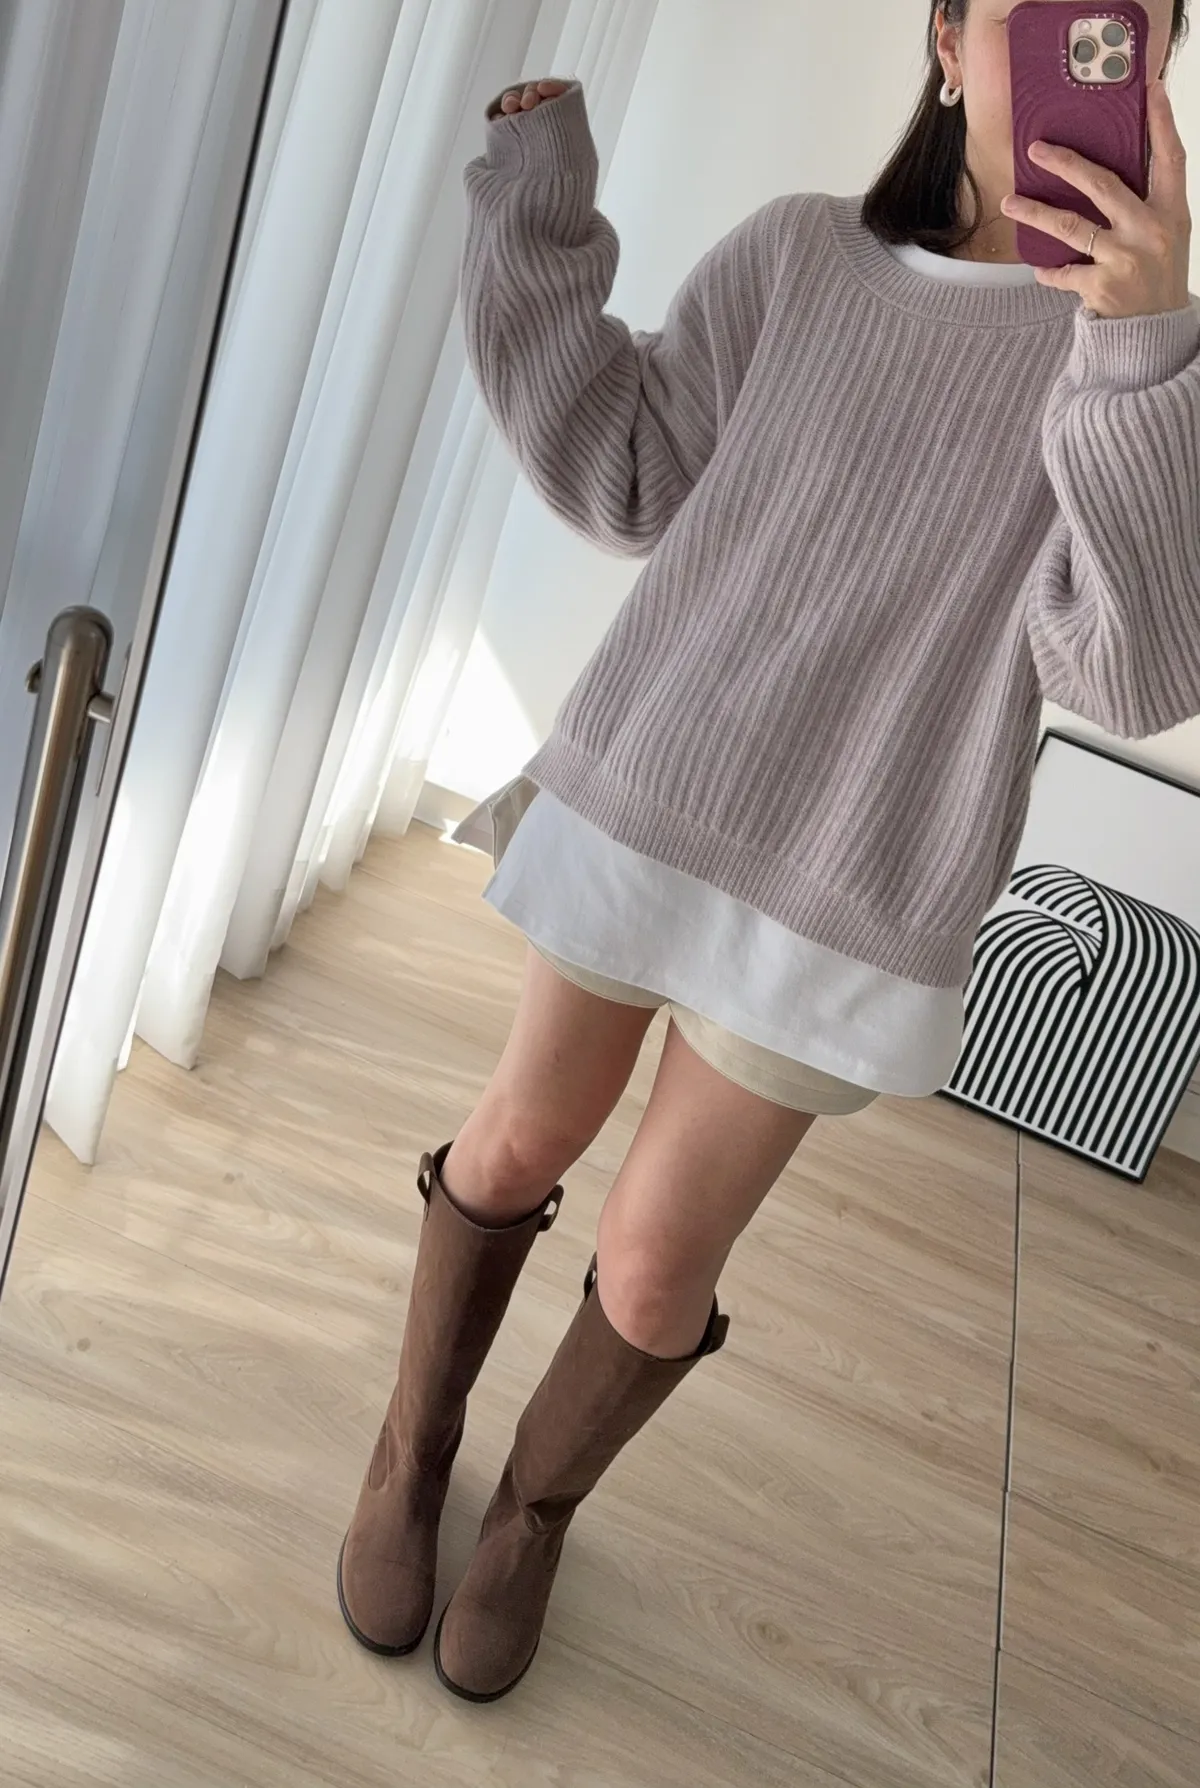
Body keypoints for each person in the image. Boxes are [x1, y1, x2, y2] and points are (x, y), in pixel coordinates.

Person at [338, 0, 1199, 1704]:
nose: (1094, 63)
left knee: (659, 1260)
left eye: (1140, 33)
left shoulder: (1133, 363)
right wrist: (534, 198)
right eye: (1047, 17)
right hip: (662, 780)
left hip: (864, 872)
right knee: (517, 1140)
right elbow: (625, 472)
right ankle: (411, 1447)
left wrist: (1145, 348)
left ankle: (531, 1513)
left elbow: (1130, 670)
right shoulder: (804, 255)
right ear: (947, 37)